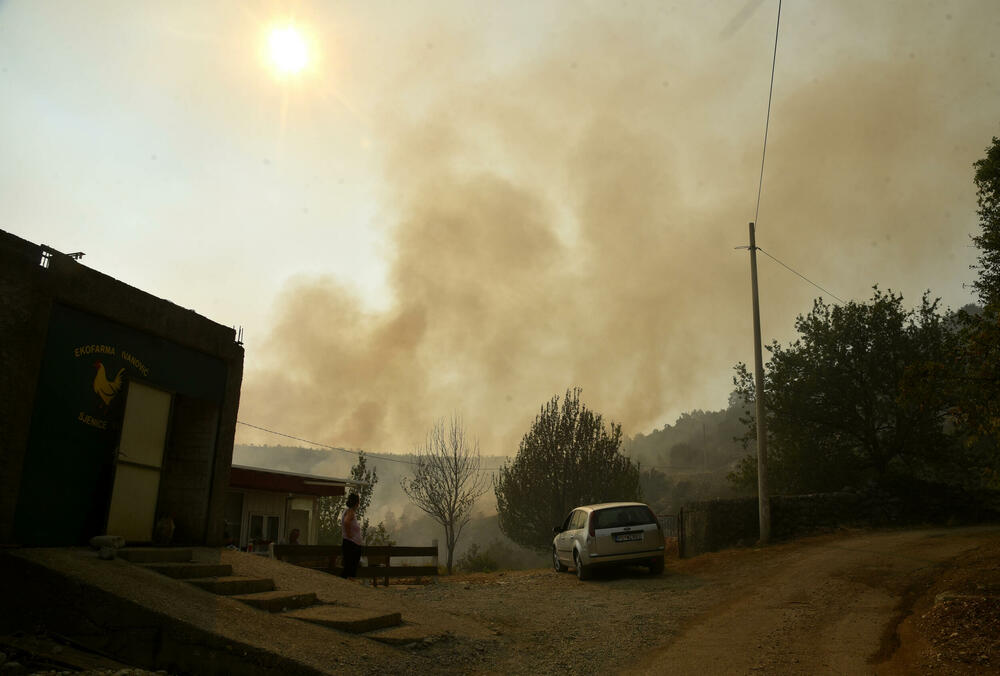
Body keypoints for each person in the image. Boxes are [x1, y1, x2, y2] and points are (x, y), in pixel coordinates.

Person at [340, 493, 363, 578]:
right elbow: (346, 522)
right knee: (350, 569)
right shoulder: (350, 512)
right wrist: (349, 534)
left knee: (348, 568)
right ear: (356, 503)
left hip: (350, 543)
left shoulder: (347, 511)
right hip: (352, 544)